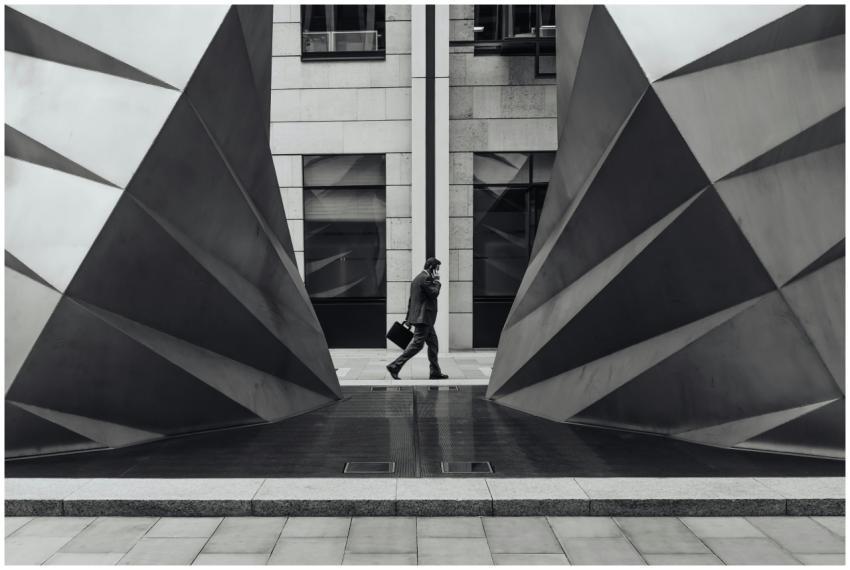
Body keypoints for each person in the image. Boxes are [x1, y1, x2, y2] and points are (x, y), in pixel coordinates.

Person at [387, 257, 449, 380]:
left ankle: (435, 372)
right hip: (424, 319)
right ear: (431, 268)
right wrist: (437, 281)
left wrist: (409, 319)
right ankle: (395, 366)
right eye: (437, 269)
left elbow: (412, 301)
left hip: (424, 319)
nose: (438, 272)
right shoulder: (426, 279)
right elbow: (434, 294)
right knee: (417, 345)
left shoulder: (416, 279)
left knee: (433, 345)